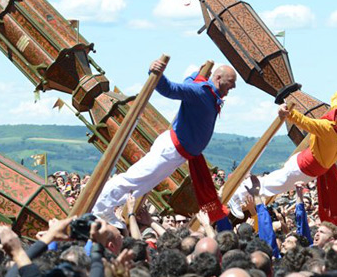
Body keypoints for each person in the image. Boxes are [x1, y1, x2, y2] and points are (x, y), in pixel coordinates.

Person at [92, 58, 237, 226]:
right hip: (171, 149)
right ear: (218, 78)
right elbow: (171, 89)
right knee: (135, 177)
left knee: (144, 184)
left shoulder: (204, 90)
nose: (232, 87)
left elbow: (188, 81)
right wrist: (156, 73)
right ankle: (99, 208)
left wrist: (197, 73)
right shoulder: (200, 91)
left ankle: (107, 208)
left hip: (177, 152)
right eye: (231, 82)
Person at [228, 89, 337, 226]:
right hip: (300, 168)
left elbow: (336, 102)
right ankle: (236, 195)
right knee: (269, 184)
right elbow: (305, 122)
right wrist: (288, 112)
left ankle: (241, 197)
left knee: (273, 187)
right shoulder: (327, 128)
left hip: (307, 172)